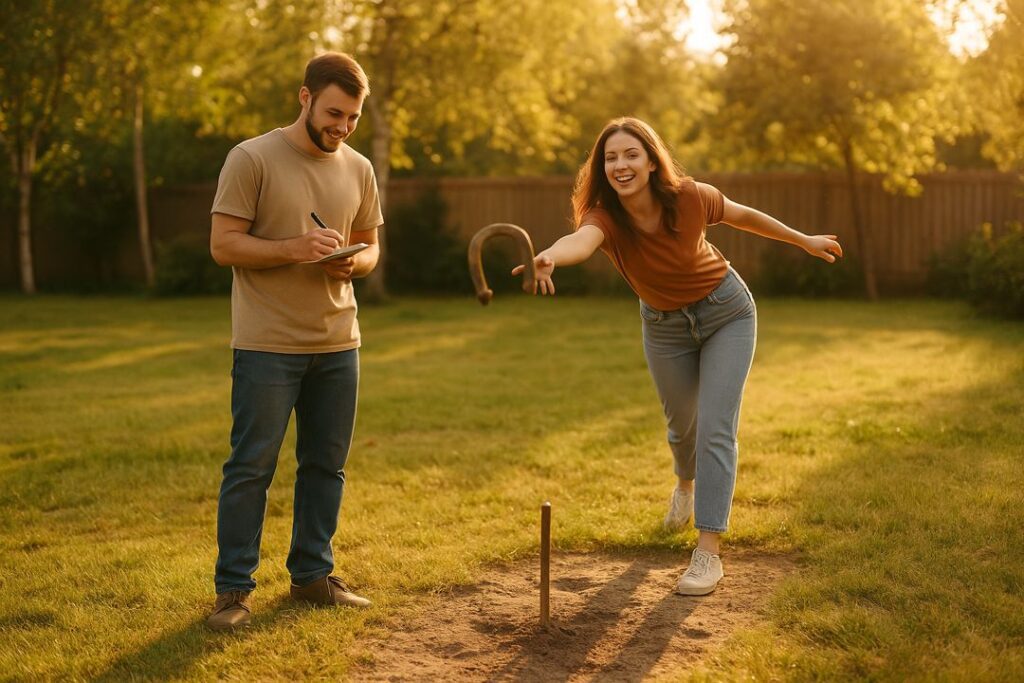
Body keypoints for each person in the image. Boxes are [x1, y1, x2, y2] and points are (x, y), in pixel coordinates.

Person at [513, 117, 842, 596]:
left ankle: (708, 551)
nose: (620, 165)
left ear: (650, 159)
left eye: (630, 154)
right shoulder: (606, 217)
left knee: (715, 427)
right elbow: (579, 243)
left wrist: (803, 240)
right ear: (602, 169)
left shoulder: (689, 196)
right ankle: (684, 486)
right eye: (610, 158)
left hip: (727, 313)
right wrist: (549, 257)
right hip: (665, 329)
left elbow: (744, 215)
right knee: (681, 427)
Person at [206, 52, 383, 631]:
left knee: (325, 467)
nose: (342, 126)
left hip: (338, 342)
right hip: (266, 344)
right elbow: (224, 245)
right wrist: (293, 248)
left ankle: (312, 577)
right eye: (334, 112)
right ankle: (233, 594)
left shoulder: (358, 168)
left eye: (352, 118)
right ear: (304, 97)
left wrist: (349, 267)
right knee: (251, 468)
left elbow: (371, 246)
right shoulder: (251, 158)